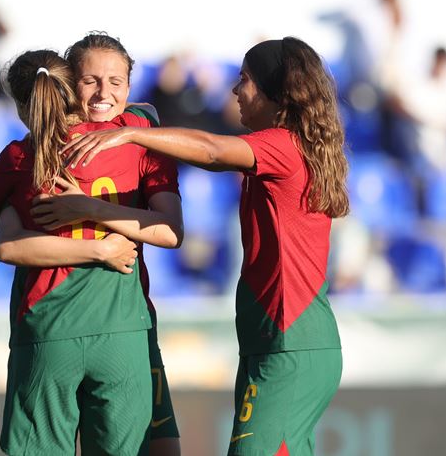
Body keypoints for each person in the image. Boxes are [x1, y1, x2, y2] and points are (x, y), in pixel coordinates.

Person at [63, 36, 348, 456]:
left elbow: (213, 151)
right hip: (275, 344)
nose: (235, 90)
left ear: (276, 91)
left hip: (290, 344)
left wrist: (131, 136)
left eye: (245, 79)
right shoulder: (285, 145)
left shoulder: (284, 145)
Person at [0, 49, 180, 455]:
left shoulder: (20, 156)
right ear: (72, 89)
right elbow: (148, 114)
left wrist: (14, 207)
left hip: (47, 327)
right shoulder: (134, 138)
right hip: (123, 329)